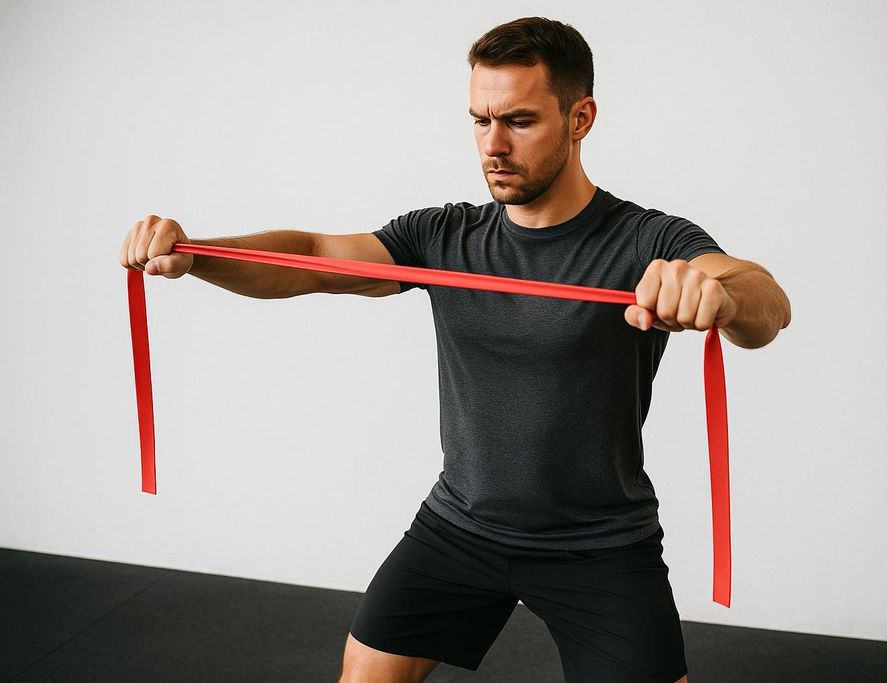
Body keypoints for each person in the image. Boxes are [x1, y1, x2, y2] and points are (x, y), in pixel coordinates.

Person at [119, 16, 791, 683]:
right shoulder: (446, 235)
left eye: (520, 121)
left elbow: (764, 299)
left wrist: (716, 293)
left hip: (599, 546)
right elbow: (317, 257)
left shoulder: (643, 240)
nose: (492, 144)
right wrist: (197, 253)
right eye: (479, 119)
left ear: (581, 117)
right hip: (460, 526)